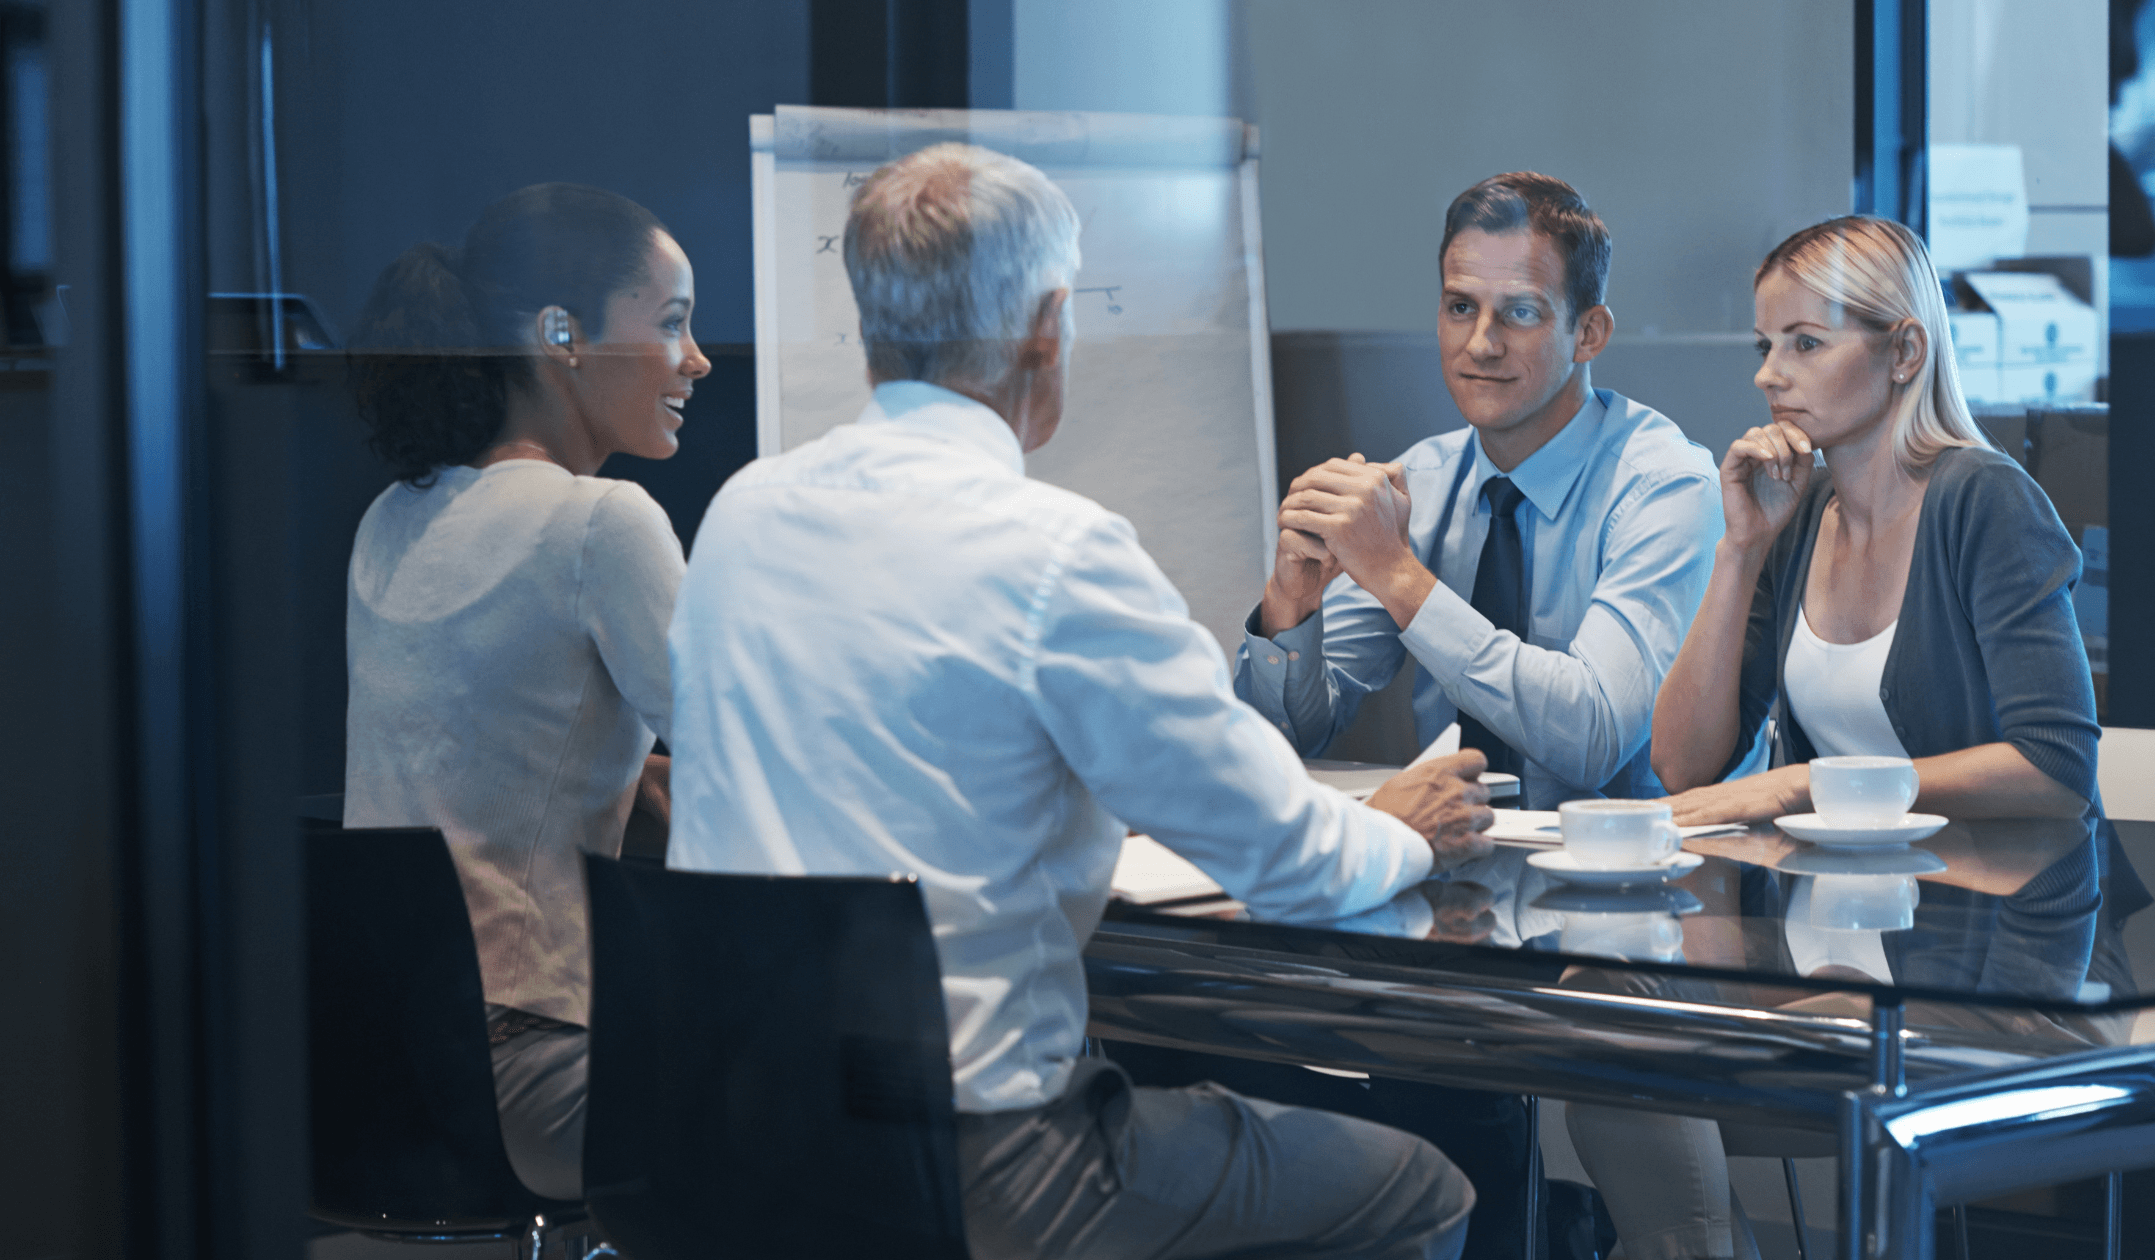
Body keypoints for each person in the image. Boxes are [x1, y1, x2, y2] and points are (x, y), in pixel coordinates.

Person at [668, 142, 1493, 1260]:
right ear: (1050, 328)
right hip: (980, 1162)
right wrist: (1395, 834)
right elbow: (1285, 858)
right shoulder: (1054, 555)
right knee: (1413, 1186)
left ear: (868, 323)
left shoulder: (741, 516)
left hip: (739, 1141)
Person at [1567, 215, 2111, 1260]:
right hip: (1834, 949)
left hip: (1988, 974)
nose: (1771, 375)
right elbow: (1683, 761)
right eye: (1763, 347)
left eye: (1805, 344)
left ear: (1902, 351)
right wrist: (1738, 550)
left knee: (1627, 1045)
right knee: (1597, 1014)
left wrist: (1797, 786)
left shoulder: (1982, 501)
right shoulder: (1801, 510)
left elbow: (2054, 770)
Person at [343, 182, 711, 1200]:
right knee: (862, 1126)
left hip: (371, 1065)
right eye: (672, 321)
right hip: (530, 1070)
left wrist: (623, 774)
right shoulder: (602, 522)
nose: (697, 359)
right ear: (564, 334)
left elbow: (478, 751)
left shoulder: (390, 518)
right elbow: (748, 763)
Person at [1234, 172, 1724, 810]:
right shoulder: (1424, 478)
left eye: (1519, 312)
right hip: (1453, 864)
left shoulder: (1668, 488)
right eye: (1460, 307)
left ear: (1589, 333)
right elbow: (1282, 743)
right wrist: (1290, 608)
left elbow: (1594, 738)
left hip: (1631, 882)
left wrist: (1399, 576)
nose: (1480, 344)